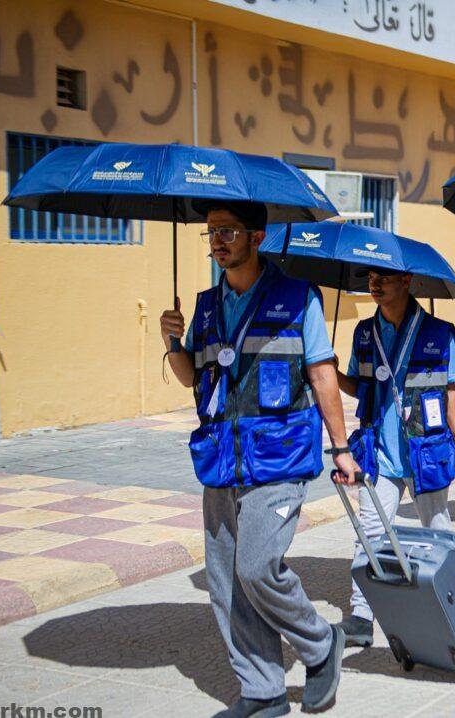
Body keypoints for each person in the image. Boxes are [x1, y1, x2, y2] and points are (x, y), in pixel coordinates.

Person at [160, 200, 355, 718]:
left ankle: (320, 643)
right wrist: (173, 341)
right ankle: (263, 689)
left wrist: (341, 447)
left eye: (228, 232)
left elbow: (321, 373)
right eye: (211, 233)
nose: (217, 242)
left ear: (257, 237)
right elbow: (191, 377)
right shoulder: (205, 306)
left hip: (280, 456)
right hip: (221, 458)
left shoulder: (298, 297)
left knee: (257, 566)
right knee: (226, 580)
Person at [332, 267, 455, 648]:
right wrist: (331, 372)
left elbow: (449, 391)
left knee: (438, 531)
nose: (375, 284)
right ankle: (361, 616)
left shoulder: (438, 332)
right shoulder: (364, 332)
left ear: (406, 281)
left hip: (424, 452)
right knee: (370, 533)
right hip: (378, 454)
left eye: (384, 277)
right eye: (371, 278)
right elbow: (358, 387)